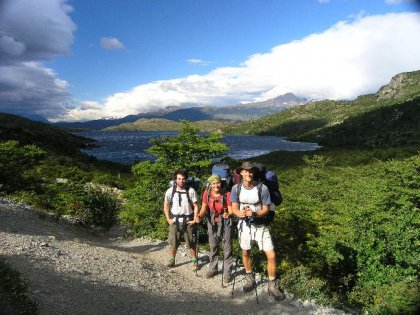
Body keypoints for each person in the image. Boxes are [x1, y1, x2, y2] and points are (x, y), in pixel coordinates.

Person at [230, 161, 285, 301]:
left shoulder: (263, 188)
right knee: (246, 251)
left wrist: (254, 214)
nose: (248, 174)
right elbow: (234, 207)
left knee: (271, 255)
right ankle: (250, 278)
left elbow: (266, 209)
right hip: (244, 225)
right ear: (240, 173)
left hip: (260, 225)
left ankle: (272, 285)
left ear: (253, 173)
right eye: (245, 171)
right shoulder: (236, 189)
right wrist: (240, 214)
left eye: (250, 171)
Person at [195, 174, 233, 283]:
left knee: (227, 247)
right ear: (210, 185)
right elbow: (203, 209)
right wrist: (199, 216)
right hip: (212, 222)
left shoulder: (227, 194)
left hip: (225, 222)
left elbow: (230, 210)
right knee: (213, 246)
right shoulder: (207, 194)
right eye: (213, 183)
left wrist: (228, 214)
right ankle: (213, 268)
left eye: (218, 183)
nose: (216, 185)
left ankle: (227, 272)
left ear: (221, 183)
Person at [163, 169, 199, 270]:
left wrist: (195, 218)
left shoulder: (191, 191)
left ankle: (194, 261)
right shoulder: (170, 191)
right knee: (173, 241)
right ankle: (172, 259)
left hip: (188, 220)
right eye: (179, 179)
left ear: (186, 179)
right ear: (175, 179)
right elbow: (166, 205)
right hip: (175, 220)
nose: (181, 181)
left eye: (183, 179)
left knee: (191, 242)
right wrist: (168, 219)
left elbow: (196, 206)